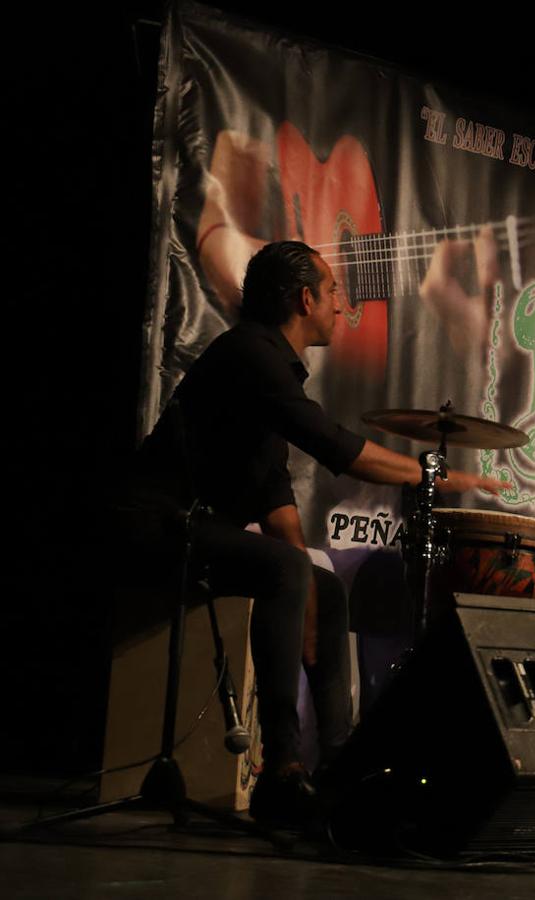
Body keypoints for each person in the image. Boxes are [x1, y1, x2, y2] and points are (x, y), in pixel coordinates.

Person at [125, 241, 505, 827]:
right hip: (155, 525)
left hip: (195, 529)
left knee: (319, 586)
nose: (341, 303)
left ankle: (334, 767)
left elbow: (276, 499)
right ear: (305, 298)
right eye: (333, 292)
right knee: (286, 569)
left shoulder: (266, 369)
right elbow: (338, 450)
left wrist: (303, 593)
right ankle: (282, 770)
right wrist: (443, 475)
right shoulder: (252, 354)